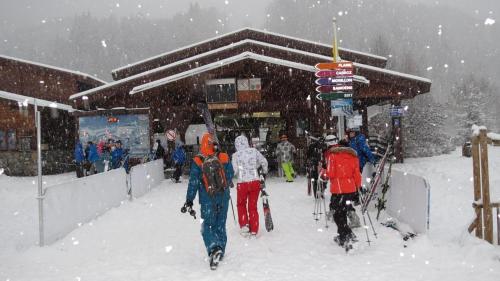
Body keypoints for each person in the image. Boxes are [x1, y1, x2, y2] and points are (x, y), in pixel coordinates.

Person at [182, 133, 234, 270]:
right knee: (220, 224)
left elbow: (193, 182)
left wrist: (189, 200)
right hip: (223, 197)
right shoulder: (223, 157)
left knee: (207, 225)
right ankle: (220, 250)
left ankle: (213, 248)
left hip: (207, 198)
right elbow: (230, 175)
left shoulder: (198, 161)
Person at [323, 134, 362, 247]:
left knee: (338, 214)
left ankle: (347, 236)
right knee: (343, 211)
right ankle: (344, 235)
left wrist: (322, 173)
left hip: (338, 189)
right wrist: (357, 188)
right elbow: (357, 174)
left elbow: (330, 173)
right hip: (350, 188)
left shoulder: (333, 155)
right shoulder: (353, 156)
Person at [232, 135, 268, 237]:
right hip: (254, 182)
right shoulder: (254, 151)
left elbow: (234, 171)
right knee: (253, 207)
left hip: (242, 183)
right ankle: (254, 229)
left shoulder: (235, 155)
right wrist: (264, 172)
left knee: (241, 204)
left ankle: (244, 225)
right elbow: (264, 161)